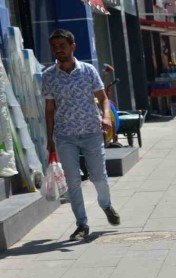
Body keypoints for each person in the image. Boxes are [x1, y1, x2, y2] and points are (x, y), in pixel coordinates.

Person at [42, 29, 120, 241]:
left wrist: (105, 117)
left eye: (62, 46)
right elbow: (49, 109)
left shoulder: (88, 71)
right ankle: (81, 224)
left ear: (72, 47)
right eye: (55, 47)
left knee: (99, 176)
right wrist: (49, 138)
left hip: (91, 132)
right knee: (73, 181)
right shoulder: (48, 76)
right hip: (65, 135)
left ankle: (106, 204)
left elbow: (103, 99)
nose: (59, 50)